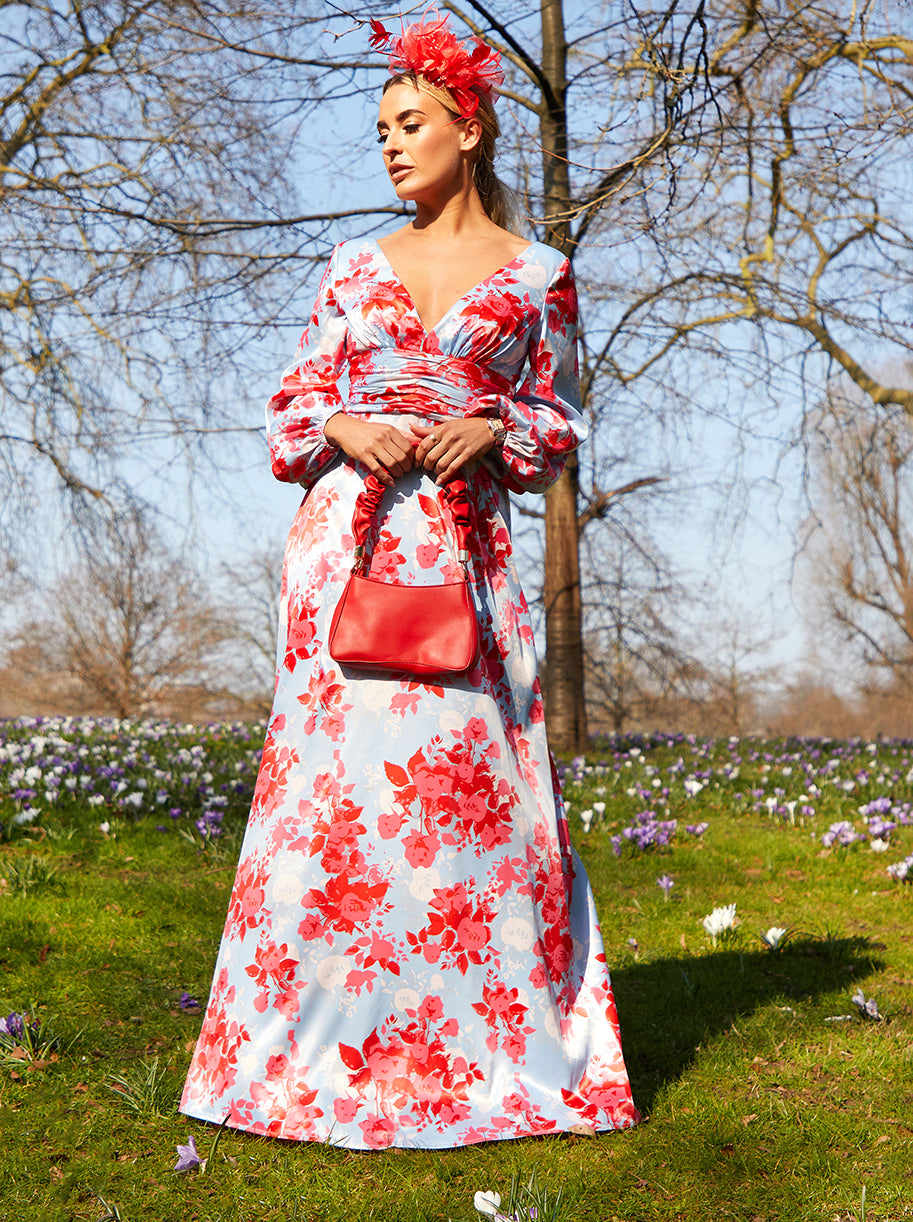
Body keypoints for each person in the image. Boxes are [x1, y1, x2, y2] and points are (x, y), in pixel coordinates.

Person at [180, 12, 639, 1150]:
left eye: (410, 123)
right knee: (332, 810)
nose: (389, 146)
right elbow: (289, 411)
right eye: (379, 128)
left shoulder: (542, 277)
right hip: (350, 551)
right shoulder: (349, 270)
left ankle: (493, 1054)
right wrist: (347, 421)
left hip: (468, 564)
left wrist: (494, 426)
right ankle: (297, 1055)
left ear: (467, 129)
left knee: (471, 810)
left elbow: (561, 421)